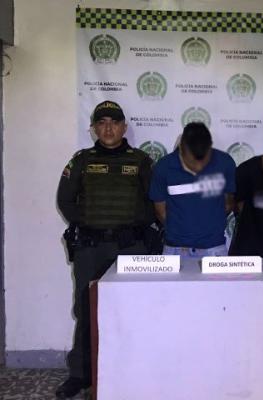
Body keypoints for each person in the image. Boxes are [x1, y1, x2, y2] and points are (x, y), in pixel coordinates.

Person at [55, 100, 154, 399]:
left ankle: (134, 370)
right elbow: (65, 200)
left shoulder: (141, 161)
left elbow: (155, 202)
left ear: (124, 127)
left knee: (132, 310)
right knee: (87, 310)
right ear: (94, 129)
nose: (108, 128)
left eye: (114, 122)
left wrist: (134, 226)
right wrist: (88, 224)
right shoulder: (82, 160)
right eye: (102, 123)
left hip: (131, 247)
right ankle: (81, 375)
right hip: (91, 248)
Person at [149, 122, 236, 257]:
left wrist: (208, 226)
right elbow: (160, 210)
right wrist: (181, 231)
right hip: (175, 249)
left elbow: (228, 203)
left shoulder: (225, 163)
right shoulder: (164, 166)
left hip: (214, 249)